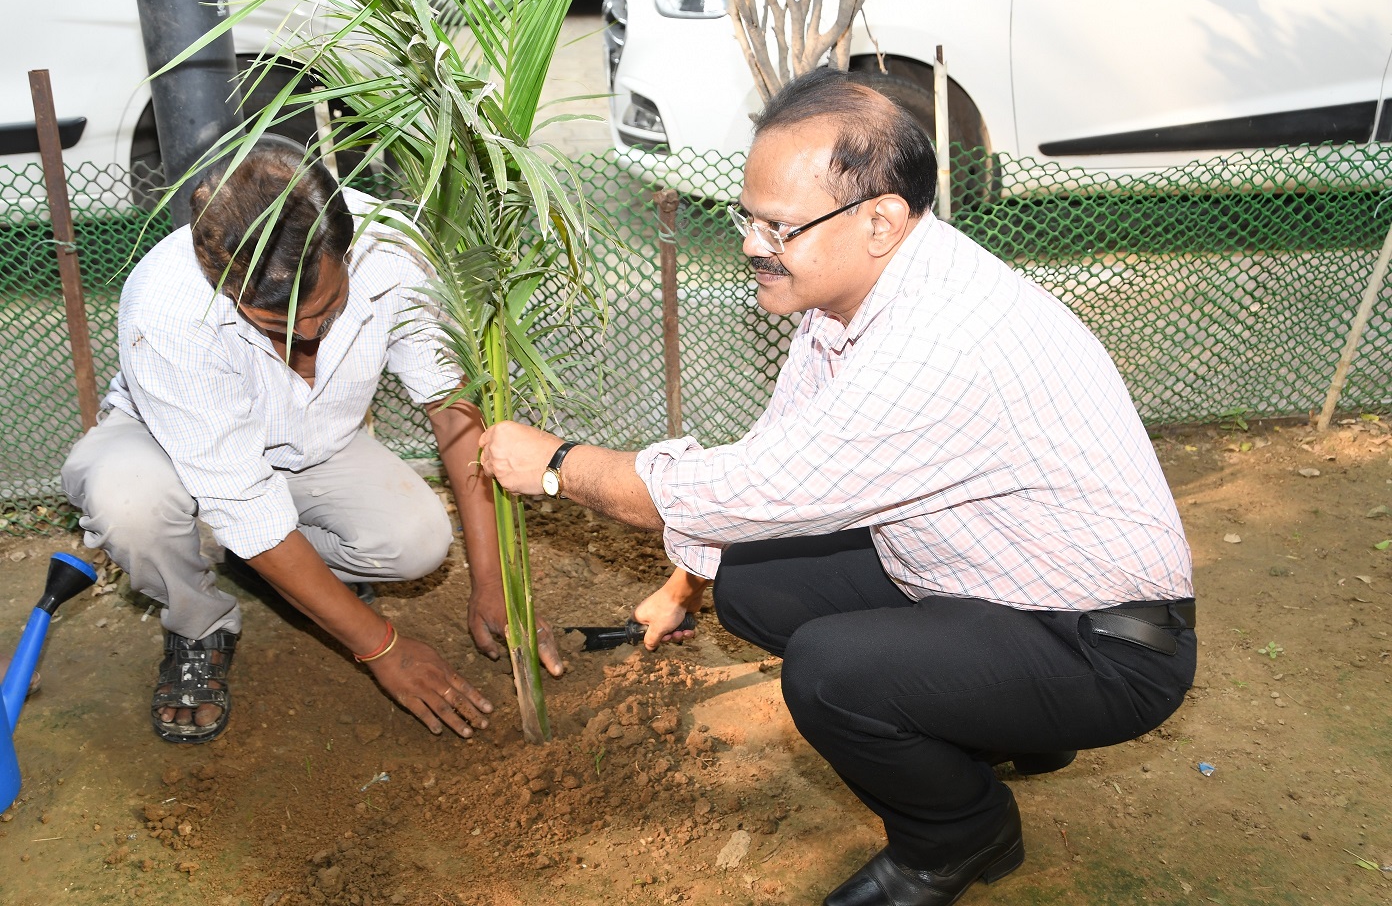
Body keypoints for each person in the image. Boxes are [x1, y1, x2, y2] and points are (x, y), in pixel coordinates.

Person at [479, 68, 1195, 906]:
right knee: (751, 583)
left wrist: (559, 465)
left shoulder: (936, 347)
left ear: (880, 220)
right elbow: (777, 457)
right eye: (747, 218)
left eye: (778, 227)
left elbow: (752, 486)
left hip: (1101, 645)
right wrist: (682, 587)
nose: (752, 245)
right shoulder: (856, 293)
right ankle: (1005, 726)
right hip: (1001, 578)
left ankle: (957, 838)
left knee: (830, 673)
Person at [61, 137, 563, 746]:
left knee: (415, 543)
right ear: (222, 282)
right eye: (275, 322)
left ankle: (264, 564)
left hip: (313, 441)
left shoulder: (394, 251)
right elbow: (243, 502)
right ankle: (199, 624)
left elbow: (452, 408)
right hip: (162, 442)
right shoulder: (166, 309)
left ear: (346, 251)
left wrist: (493, 579)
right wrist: (384, 648)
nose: (305, 336)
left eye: (326, 310)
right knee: (132, 506)